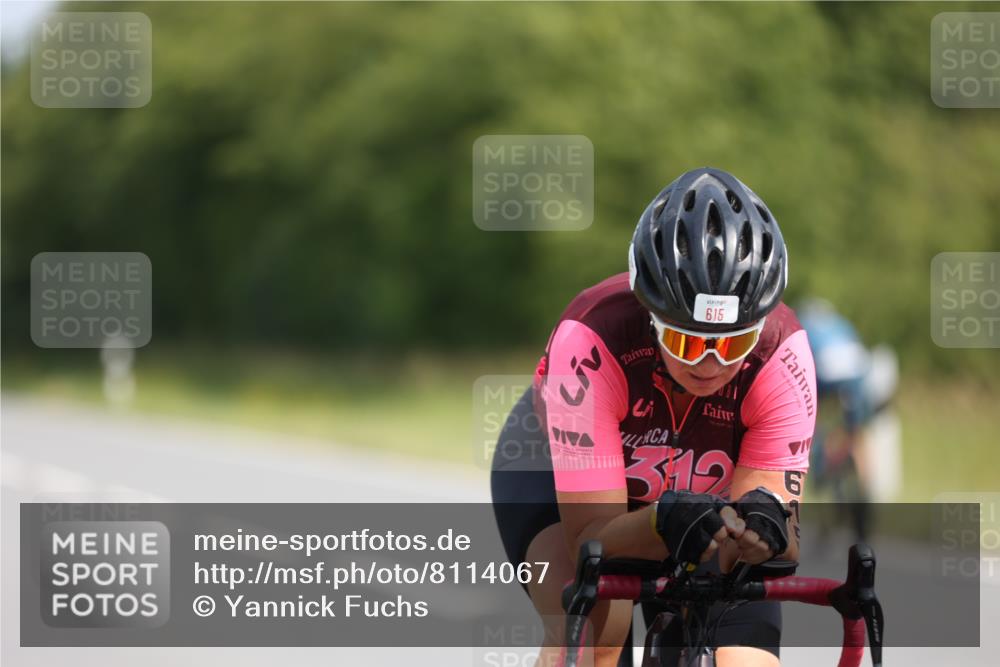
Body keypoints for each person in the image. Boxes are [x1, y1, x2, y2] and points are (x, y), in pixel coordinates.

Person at [492, 167, 817, 667]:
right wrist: (662, 521)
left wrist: (769, 526)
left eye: (733, 344)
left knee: (741, 660)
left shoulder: (782, 358)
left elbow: (780, 543)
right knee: (595, 636)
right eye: (686, 341)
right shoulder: (592, 338)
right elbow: (590, 540)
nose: (710, 364)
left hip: (693, 509)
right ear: (651, 318)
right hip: (558, 483)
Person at [796, 299, 901, 541]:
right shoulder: (842, 325)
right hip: (858, 382)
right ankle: (866, 491)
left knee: (812, 428)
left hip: (823, 381)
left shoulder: (804, 327)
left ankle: (823, 471)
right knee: (858, 436)